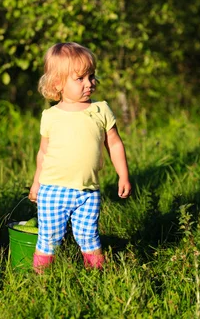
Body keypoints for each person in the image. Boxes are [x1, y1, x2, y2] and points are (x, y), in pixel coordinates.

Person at [28, 42, 132, 273]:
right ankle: (40, 280)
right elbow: (43, 152)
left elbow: (114, 143)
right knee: (49, 239)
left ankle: (96, 277)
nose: (89, 83)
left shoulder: (100, 110)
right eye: (80, 78)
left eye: (91, 76)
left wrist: (123, 175)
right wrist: (36, 182)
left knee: (89, 236)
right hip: (53, 190)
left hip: (88, 191)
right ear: (58, 83)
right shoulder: (51, 116)